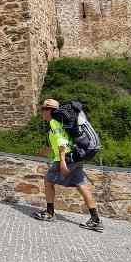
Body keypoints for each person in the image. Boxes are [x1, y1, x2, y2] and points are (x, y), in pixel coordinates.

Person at [33, 98, 103, 232]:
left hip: (66, 158)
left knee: (48, 181)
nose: (42, 112)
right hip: (76, 156)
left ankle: (49, 213)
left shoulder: (54, 122)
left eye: (43, 109)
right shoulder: (63, 122)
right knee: (82, 185)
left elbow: (62, 142)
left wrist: (63, 162)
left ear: (50, 111)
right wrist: (42, 152)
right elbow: (60, 142)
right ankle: (95, 219)